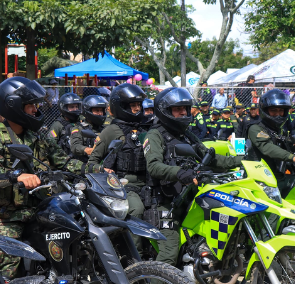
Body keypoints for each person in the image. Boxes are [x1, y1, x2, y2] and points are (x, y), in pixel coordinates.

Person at [0, 77, 102, 276]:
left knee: (76, 239)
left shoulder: (38, 134)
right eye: (30, 106)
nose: (36, 110)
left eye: (36, 105)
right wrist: (17, 176)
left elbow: (64, 161)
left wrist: (97, 170)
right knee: (6, 264)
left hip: (41, 209)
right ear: (14, 107)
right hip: (10, 217)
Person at [143, 87, 242, 267]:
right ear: (165, 111)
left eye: (186, 108)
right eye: (178, 109)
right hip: (164, 204)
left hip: (190, 201)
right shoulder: (155, 135)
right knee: (169, 253)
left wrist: (239, 161)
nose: (183, 112)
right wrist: (180, 173)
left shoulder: (187, 135)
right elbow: (154, 166)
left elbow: (209, 157)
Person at [87, 83, 148, 229]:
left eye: (139, 104)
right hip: (123, 184)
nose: (137, 109)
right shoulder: (111, 131)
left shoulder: (146, 129)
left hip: (148, 182)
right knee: (136, 210)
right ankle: (135, 251)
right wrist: (103, 170)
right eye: (133, 105)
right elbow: (91, 164)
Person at [245, 89, 295, 192]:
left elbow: (288, 150)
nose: (278, 114)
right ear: (265, 110)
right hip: (260, 179)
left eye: (281, 111)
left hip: (276, 175)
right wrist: (294, 158)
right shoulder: (255, 128)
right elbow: (267, 148)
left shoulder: (279, 130)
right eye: (274, 110)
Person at [71, 94, 108, 161]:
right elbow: (75, 147)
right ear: (88, 111)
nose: (100, 113)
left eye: (101, 111)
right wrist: (89, 150)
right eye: (97, 111)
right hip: (85, 165)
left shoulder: (104, 129)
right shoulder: (79, 128)